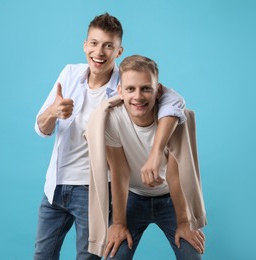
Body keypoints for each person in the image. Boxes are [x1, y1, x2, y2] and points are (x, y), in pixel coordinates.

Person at [34, 13, 186, 260]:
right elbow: (42, 128)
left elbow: (172, 99)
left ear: (119, 51)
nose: (99, 52)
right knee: (42, 255)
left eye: (108, 46)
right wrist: (54, 111)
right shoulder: (69, 74)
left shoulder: (125, 85)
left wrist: (157, 151)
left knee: (88, 257)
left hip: (92, 190)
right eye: (94, 43)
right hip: (55, 186)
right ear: (85, 45)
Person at [85, 55, 207, 259]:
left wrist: (184, 222)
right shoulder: (112, 120)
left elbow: (175, 175)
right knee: (116, 254)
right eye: (131, 89)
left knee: (191, 256)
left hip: (170, 198)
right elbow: (119, 171)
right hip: (133, 198)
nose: (138, 96)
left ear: (158, 90)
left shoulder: (172, 119)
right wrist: (119, 224)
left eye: (146, 88)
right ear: (120, 91)